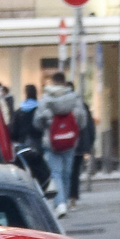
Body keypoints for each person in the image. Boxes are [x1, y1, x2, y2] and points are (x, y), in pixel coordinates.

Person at [35, 77, 90, 216]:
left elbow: (37, 121)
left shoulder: (46, 99)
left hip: (52, 142)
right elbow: (82, 118)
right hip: (70, 141)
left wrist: (47, 127)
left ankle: (59, 204)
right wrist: (73, 129)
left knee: (56, 173)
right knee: (67, 173)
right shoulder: (74, 99)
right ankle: (64, 201)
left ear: (52, 83)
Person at [8, 84, 50, 193]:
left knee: (26, 170)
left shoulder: (20, 111)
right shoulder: (40, 109)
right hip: (38, 142)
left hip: (23, 143)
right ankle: (41, 189)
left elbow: (14, 131)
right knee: (39, 168)